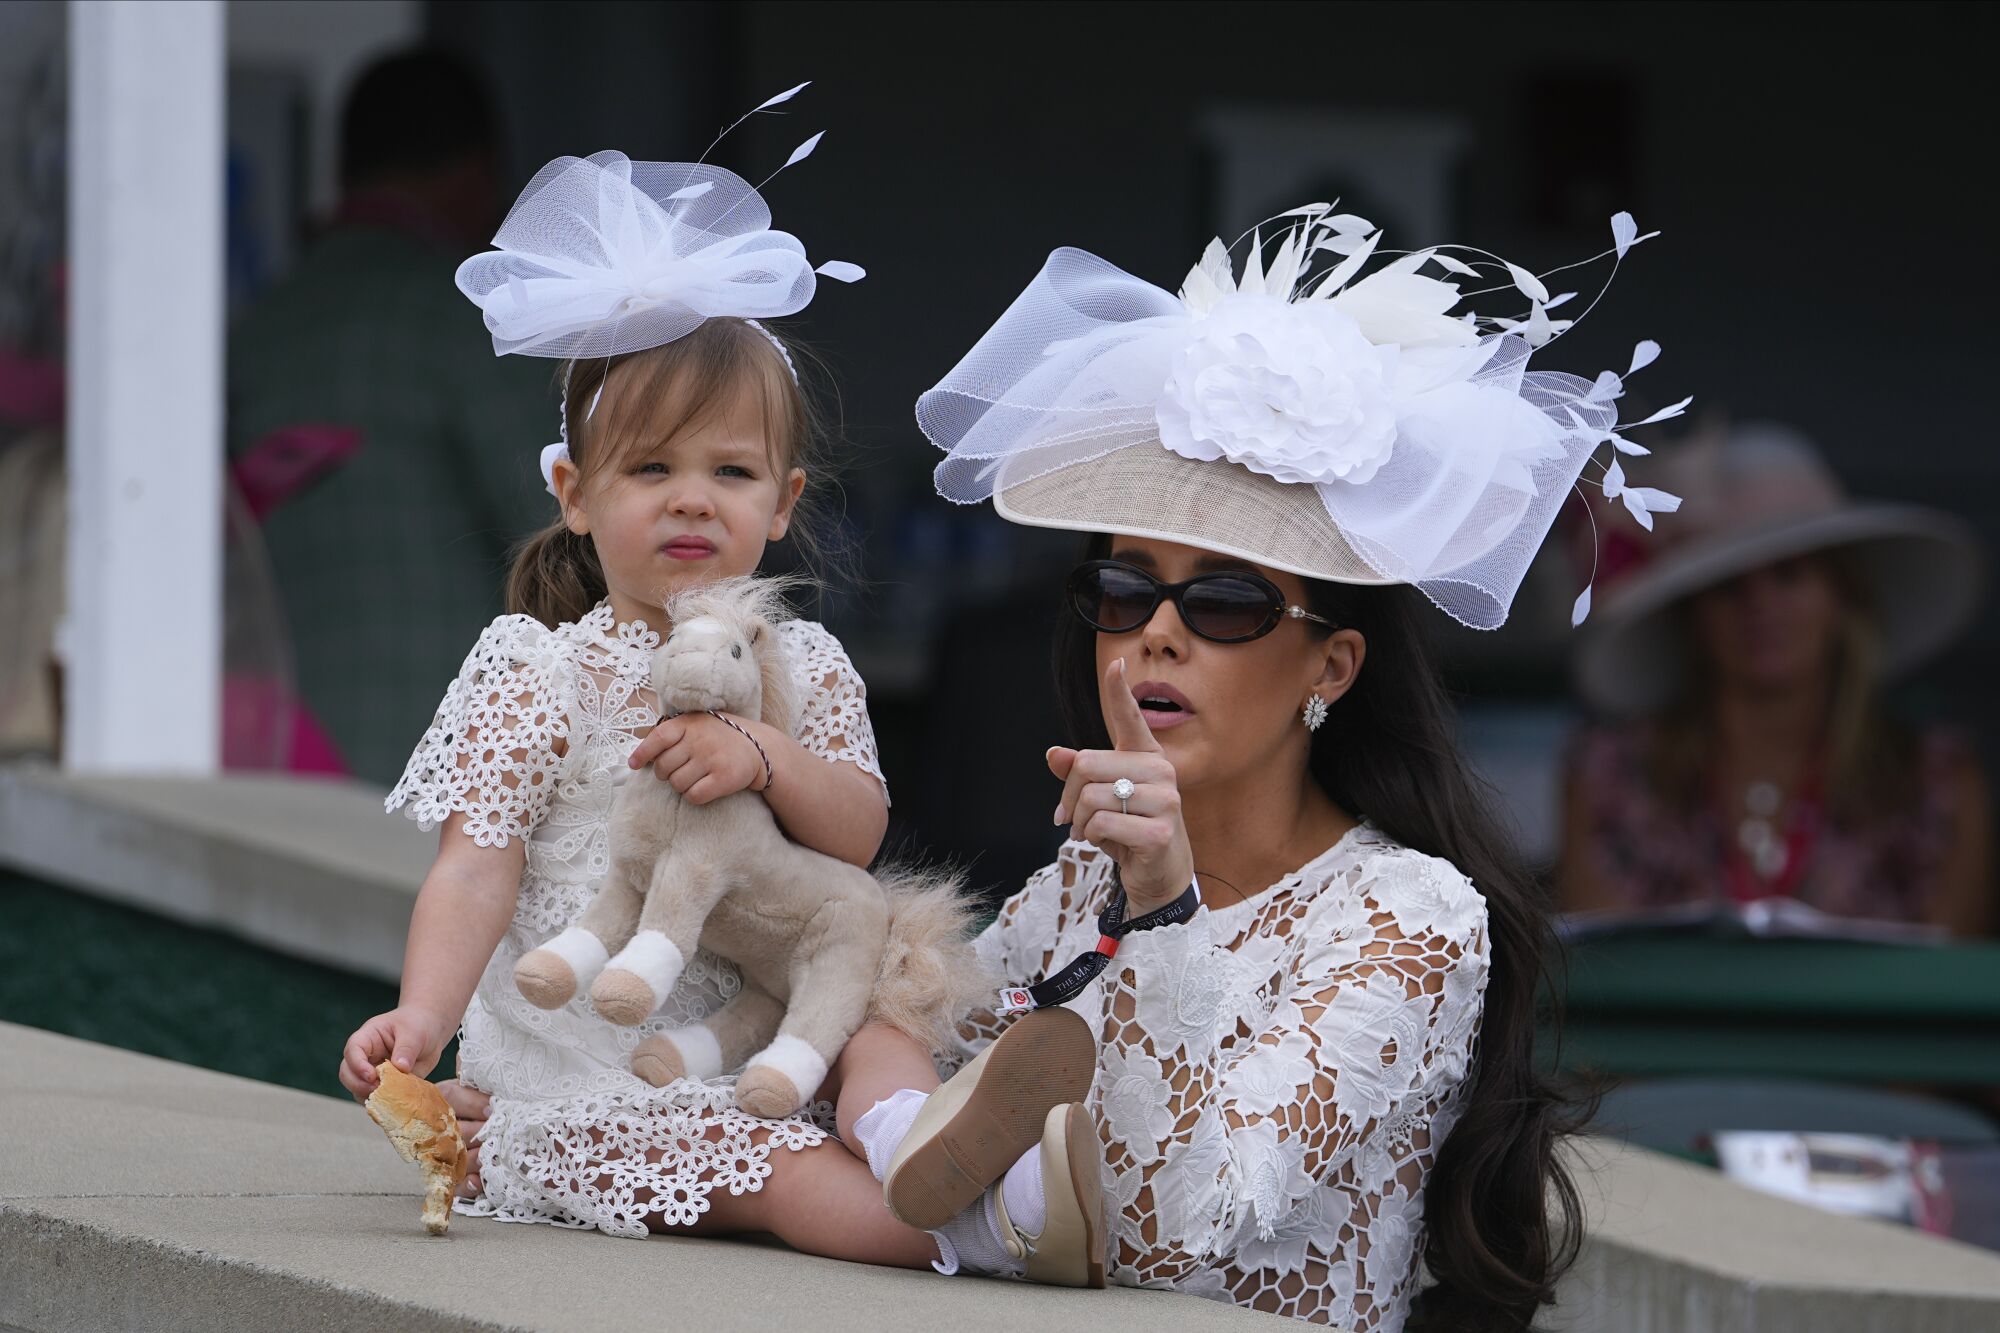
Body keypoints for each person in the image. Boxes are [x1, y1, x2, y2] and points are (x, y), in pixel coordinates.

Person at [860, 210, 1679, 1329]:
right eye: (1122, 589)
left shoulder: (1408, 916)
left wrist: (1160, 902)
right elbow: (920, 1124)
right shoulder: (1071, 886)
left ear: (1332, 666)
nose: (1155, 632)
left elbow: (1161, 1240)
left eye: (1225, 600)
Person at [333, 118, 965, 1262]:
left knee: (883, 1012)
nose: (690, 500)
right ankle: (960, 1233)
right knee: (783, 1177)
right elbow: (478, 864)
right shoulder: (543, 664)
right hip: (593, 1082)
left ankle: (940, 1147)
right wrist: (421, 1019)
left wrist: (765, 758)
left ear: (781, 501)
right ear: (575, 493)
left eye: (729, 472)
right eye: (651, 469)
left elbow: (858, 835)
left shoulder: (804, 664)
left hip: (767, 1036)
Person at [228, 49, 552, 784]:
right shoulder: (466, 319)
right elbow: (567, 529)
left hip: (278, 762)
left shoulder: (255, 333)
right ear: (478, 175)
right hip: (450, 768)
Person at [1562, 424, 1991, 934]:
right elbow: (1600, 984)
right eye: (1727, 586)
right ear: (1691, 618)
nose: (1760, 605)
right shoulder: (1610, 779)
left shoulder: (1938, 786)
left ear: (1842, 599)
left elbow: (1945, 988)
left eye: (1789, 574)